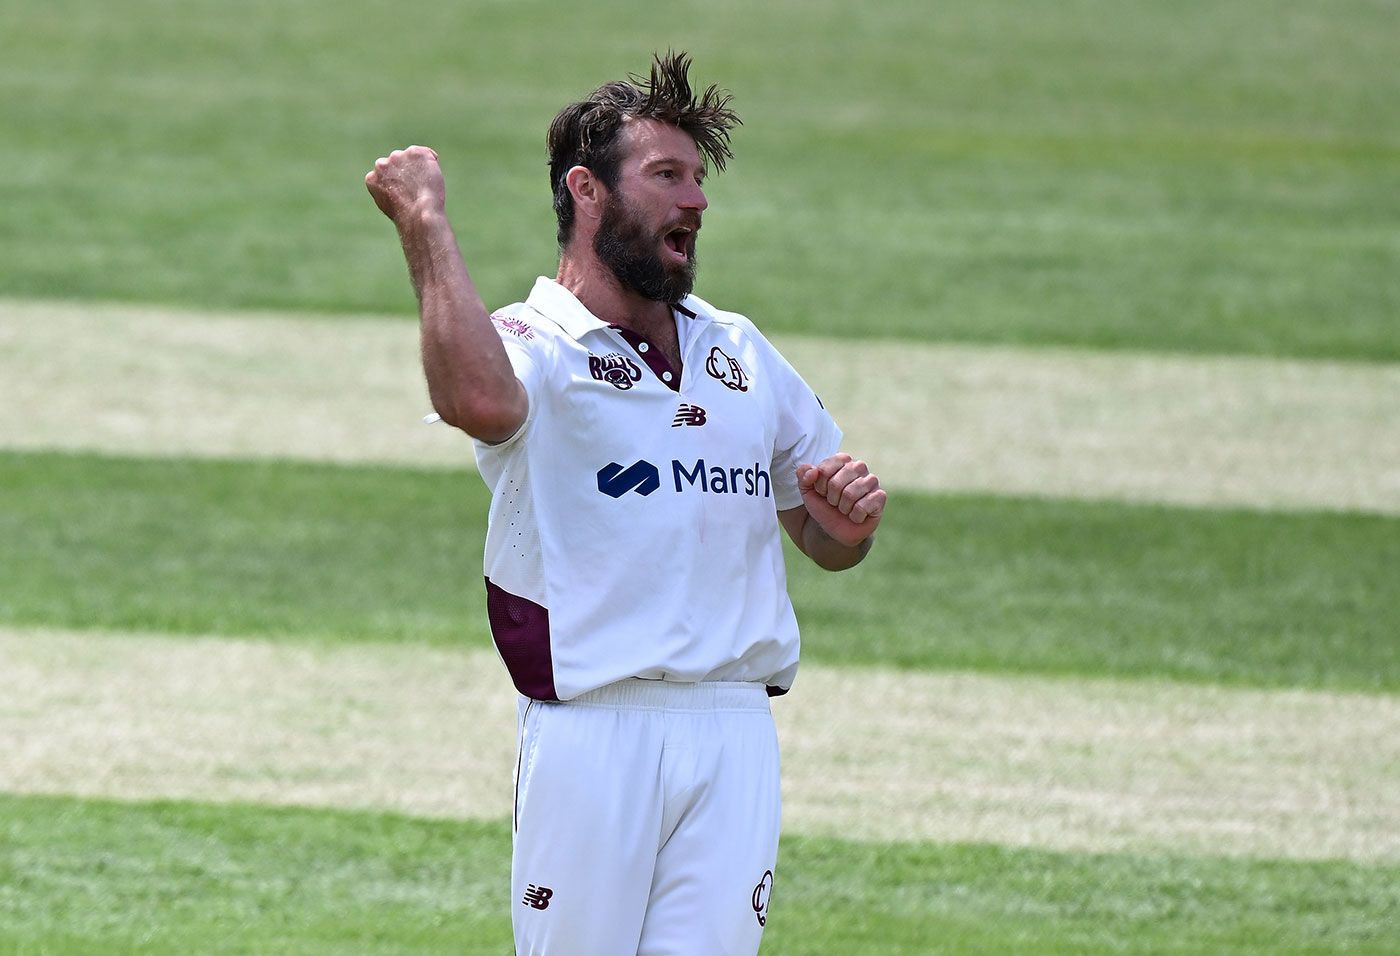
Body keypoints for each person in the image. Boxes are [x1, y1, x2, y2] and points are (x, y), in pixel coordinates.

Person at [365, 51, 886, 956]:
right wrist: (425, 226)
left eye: (698, 179)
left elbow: (820, 535)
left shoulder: (741, 351)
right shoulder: (533, 343)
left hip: (734, 729)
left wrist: (843, 526)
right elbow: (479, 404)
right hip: (595, 730)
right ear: (587, 191)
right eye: (667, 176)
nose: (697, 202)